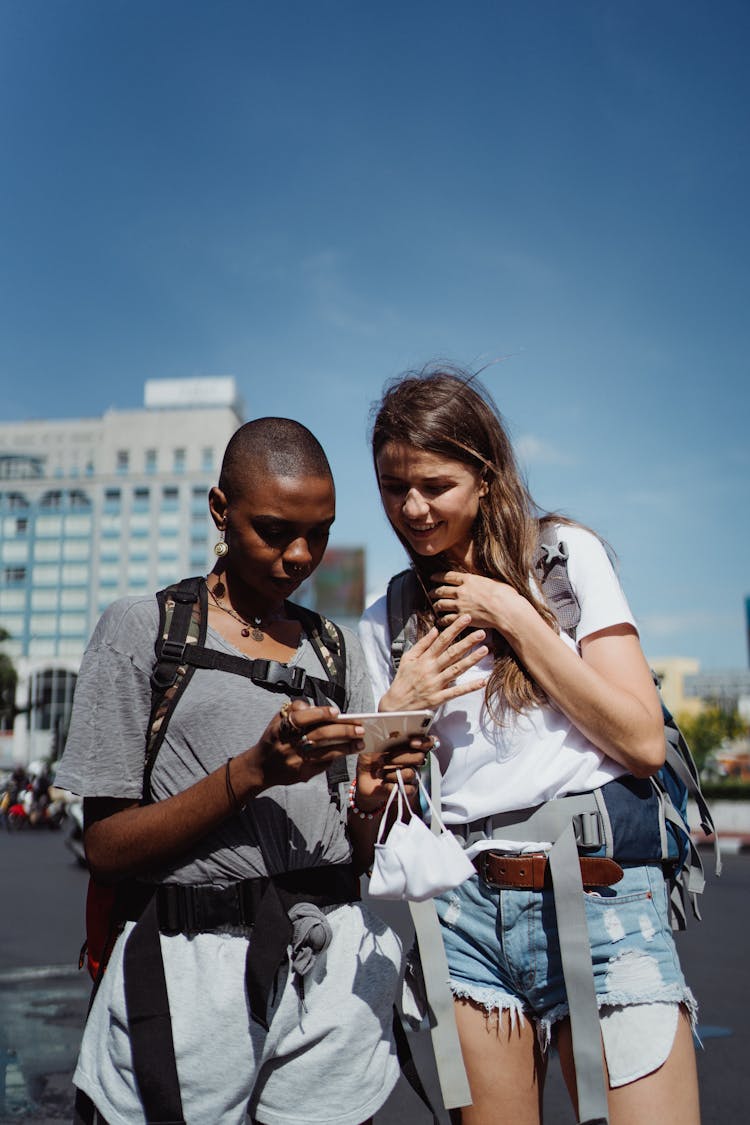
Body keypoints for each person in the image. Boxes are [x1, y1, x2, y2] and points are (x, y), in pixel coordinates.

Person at [55, 416, 481, 1125]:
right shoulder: (144, 630)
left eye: (319, 532)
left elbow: (356, 845)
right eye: (277, 530)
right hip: (187, 974)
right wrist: (252, 770)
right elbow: (104, 848)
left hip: (330, 978)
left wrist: (373, 793)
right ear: (221, 510)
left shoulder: (334, 648)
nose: (301, 554)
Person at [358, 367, 701, 1125]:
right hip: (464, 918)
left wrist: (513, 613)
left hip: (605, 895)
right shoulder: (388, 616)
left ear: (485, 477)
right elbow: (376, 806)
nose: (412, 508)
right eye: (392, 487)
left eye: (435, 484)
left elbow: (641, 740)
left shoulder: (563, 560)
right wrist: (393, 713)